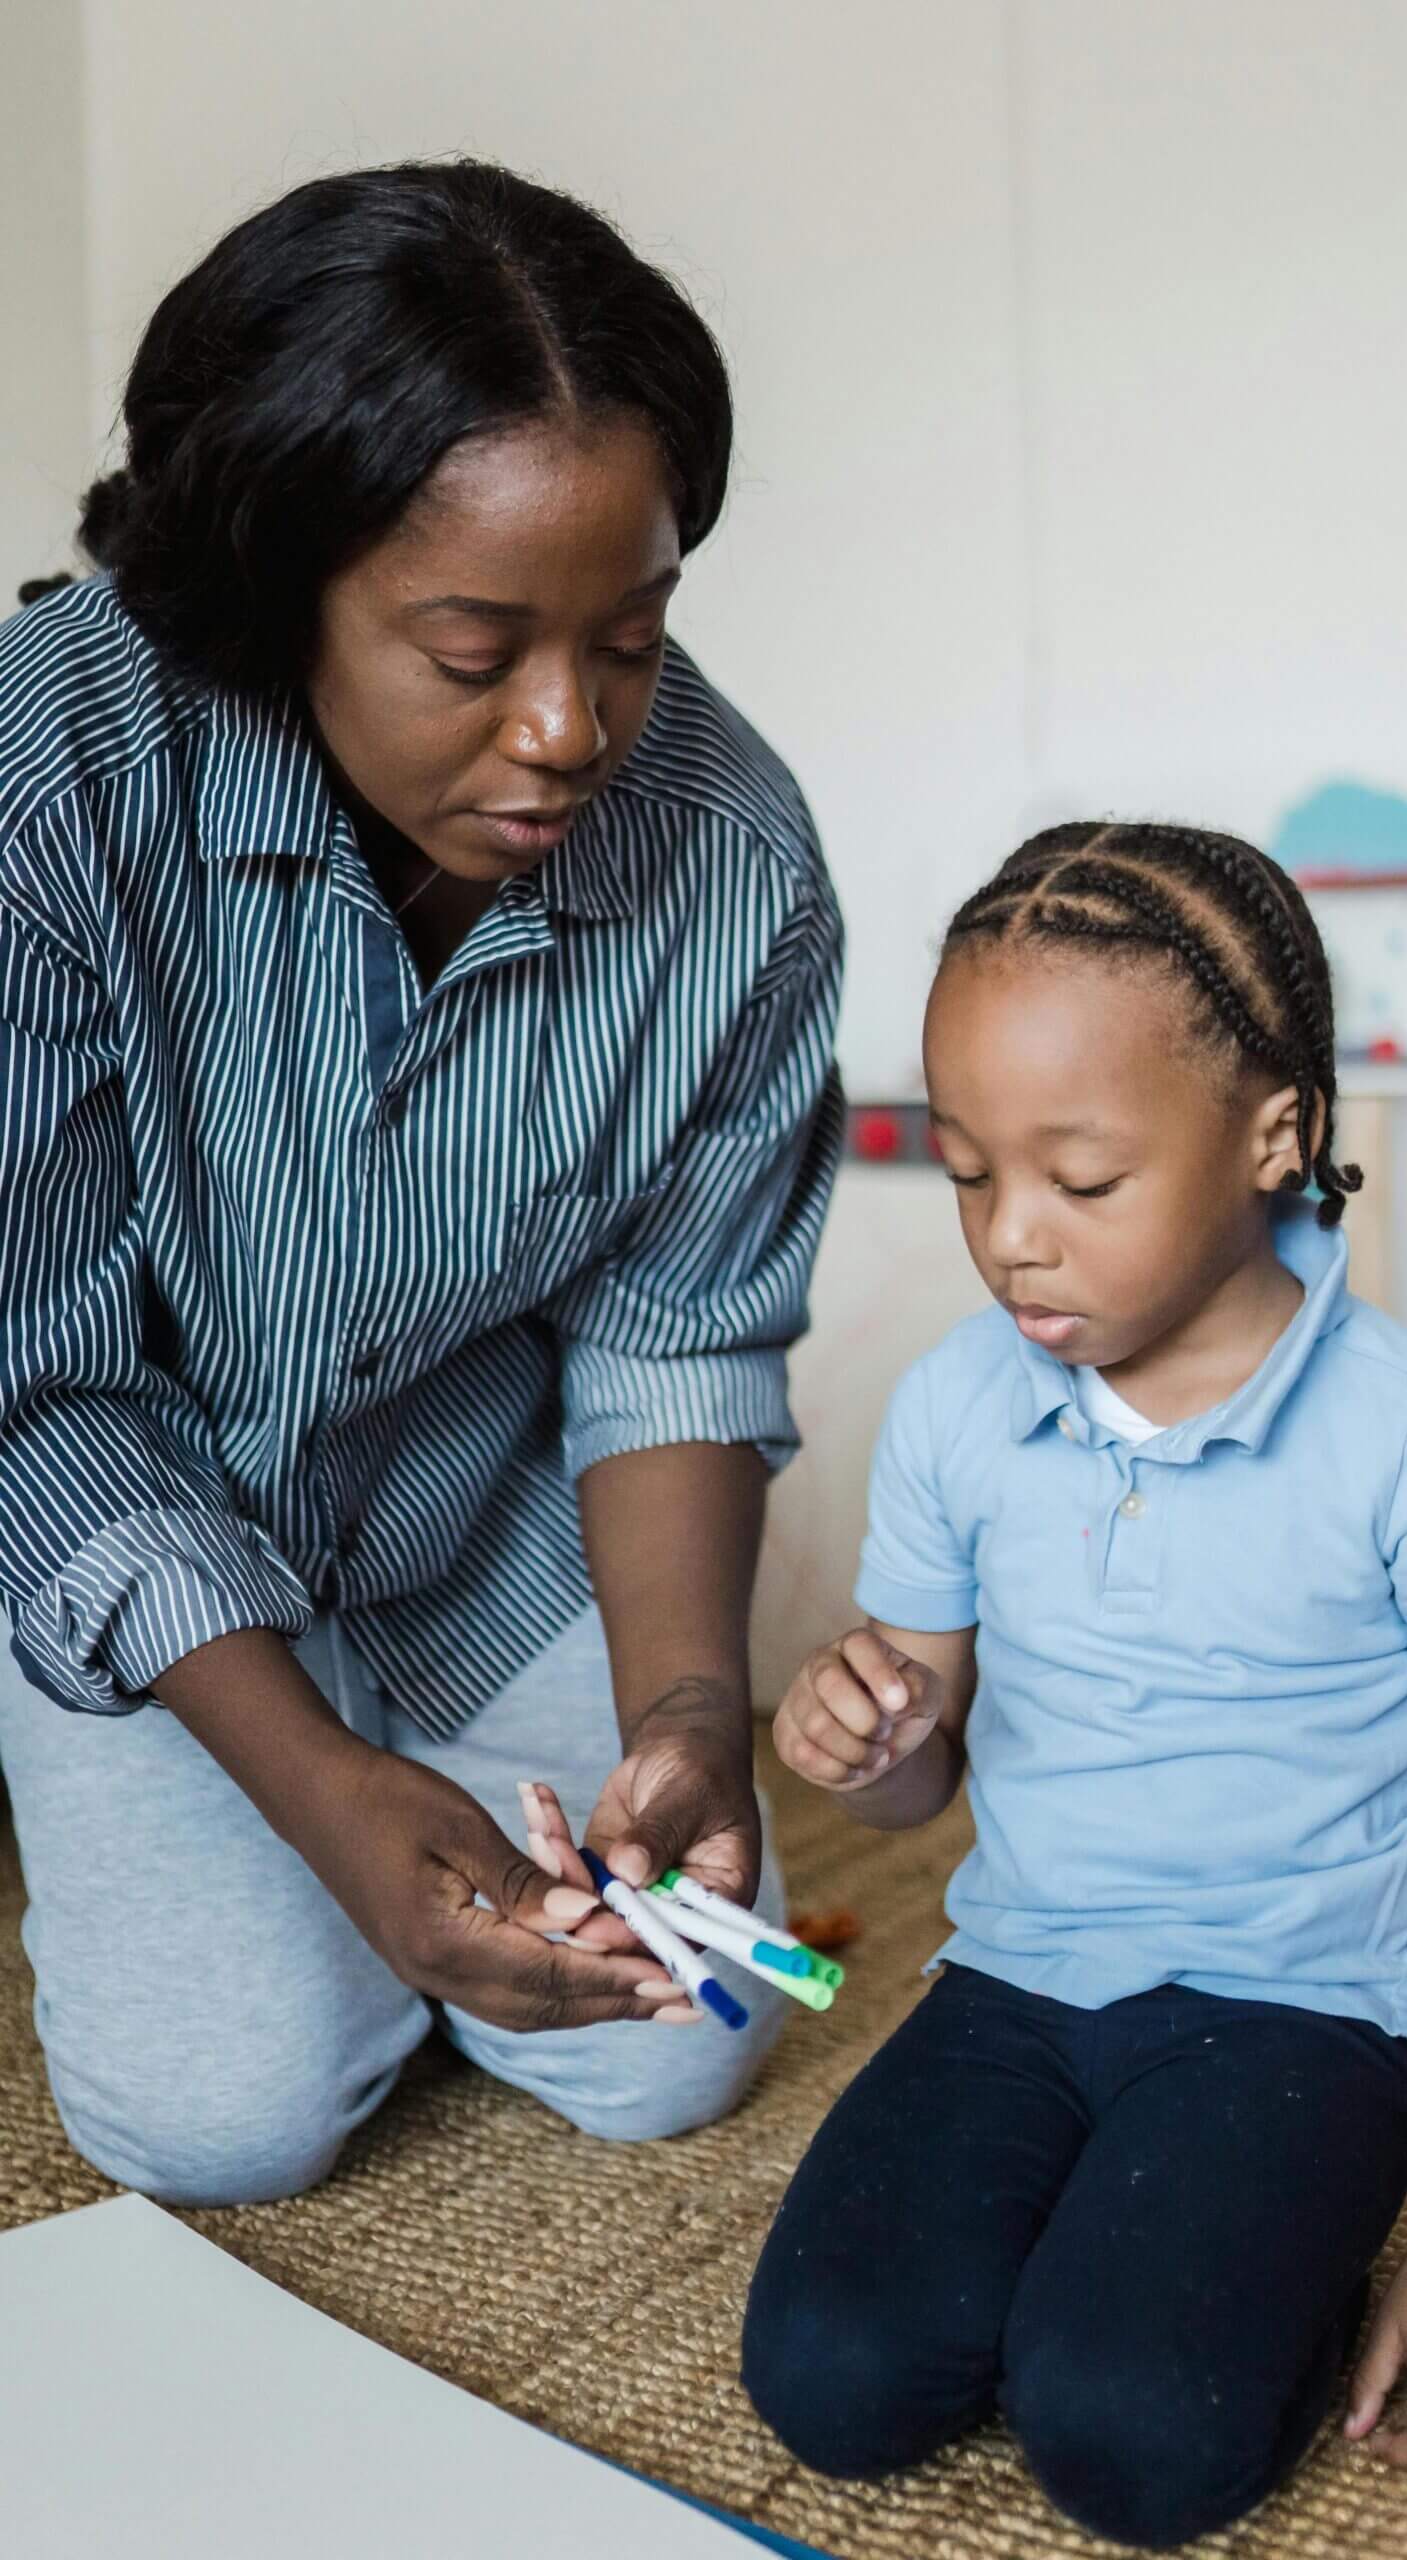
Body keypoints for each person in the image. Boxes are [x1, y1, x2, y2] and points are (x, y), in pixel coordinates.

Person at [0, 160, 843, 2206]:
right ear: (275, 587)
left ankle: (416, 1852)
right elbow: (42, 1381)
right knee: (227, 2119)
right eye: (475, 647)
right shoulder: (48, 780)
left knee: (677, 2047)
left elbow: (678, 1335)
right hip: (138, 1528)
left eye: (631, 638)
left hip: (488, 1528)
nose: (568, 731)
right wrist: (321, 1793)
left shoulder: (734, 860)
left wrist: (692, 1712)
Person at [743, 823, 1407, 2548]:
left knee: (1132, 2441)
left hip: (1291, 2017)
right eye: (973, 1171)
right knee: (832, 2382)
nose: (1011, 1242)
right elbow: (915, 1785)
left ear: (1272, 1135)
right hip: (1014, 1983)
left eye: (1083, 1178)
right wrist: (854, 1736)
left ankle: (1221, 2272)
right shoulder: (957, 1409)